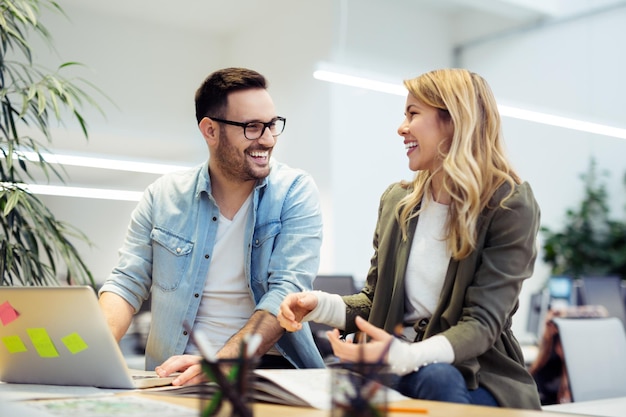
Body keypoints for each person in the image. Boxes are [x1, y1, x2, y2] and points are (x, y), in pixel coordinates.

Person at [278, 68, 542, 409]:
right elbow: (375, 303)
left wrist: (404, 355)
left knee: (436, 377)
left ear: (453, 120)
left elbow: (481, 324)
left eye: (413, 113)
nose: (401, 127)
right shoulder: (398, 203)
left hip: (475, 373)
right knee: (335, 380)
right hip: (395, 366)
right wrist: (318, 305)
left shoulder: (508, 204)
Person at [98, 67, 325, 386]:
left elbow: (287, 291)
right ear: (210, 130)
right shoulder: (163, 196)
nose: (268, 139)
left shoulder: (295, 191)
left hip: (265, 373)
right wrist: (91, 354)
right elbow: (127, 281)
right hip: (174, 375)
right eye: (253, 127)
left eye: (272, 125)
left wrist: (221, 361)